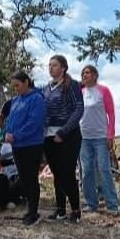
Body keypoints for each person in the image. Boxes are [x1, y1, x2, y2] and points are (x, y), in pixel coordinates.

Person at [43, 55, 85, 223]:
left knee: (67, 173)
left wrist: (64, 131)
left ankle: (76, 211)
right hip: (49, 137)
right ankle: (60, 210)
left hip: (69, 136)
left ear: (63, 68)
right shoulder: (46, 88)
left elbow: (79, 109)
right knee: (57, 174)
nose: (50, 68)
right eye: (49, 65)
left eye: (54, 65)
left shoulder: (72, 85)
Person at [5, 70, 47, 226]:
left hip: (32, 144)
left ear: (26, 82)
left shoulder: (37, 99)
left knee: (31, 178)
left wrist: (16, 135)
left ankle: (34, 211)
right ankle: (29, 209)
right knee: (23, 178)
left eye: (17, 85)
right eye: (14, 86)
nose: (16, 89)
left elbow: (34, 122)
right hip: (17, 145)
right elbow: (10, 120)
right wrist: (7, 132)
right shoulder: (16, 101)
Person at [80, 65, 120, 215]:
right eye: (83, 73)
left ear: (95, 75)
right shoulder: (81, 92)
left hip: (101, 137)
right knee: (86, 171)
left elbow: (111, 114)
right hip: (84, 138)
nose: (85, 75)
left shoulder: (103, 90)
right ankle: (92, 203)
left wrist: (110, 135)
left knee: (104, 169)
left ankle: (112, 205)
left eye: (87, 73)